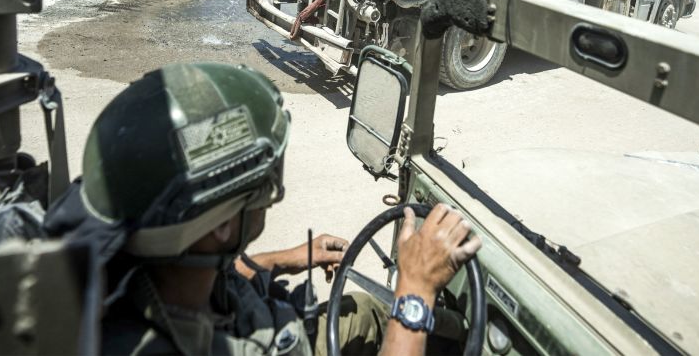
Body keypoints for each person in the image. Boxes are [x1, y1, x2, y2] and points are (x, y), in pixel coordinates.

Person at [46, 62, 480, 355]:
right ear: (218, 229)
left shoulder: (150, 267)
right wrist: (417, 292)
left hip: (260, 315)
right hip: (273, 335)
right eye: (262, 184)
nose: (275, 190)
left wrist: (286, 259)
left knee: (365, 312)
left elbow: (207, 274)